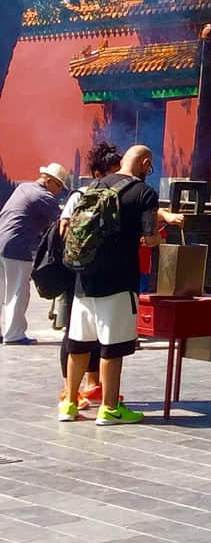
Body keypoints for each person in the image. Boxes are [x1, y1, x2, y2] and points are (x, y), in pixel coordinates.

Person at [62, 144, 163, 425]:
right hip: (118, 282)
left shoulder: (94, 186)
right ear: (144, 163)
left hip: (84, 279)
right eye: (149, 166)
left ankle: (69, 404)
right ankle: (109, 408)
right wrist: (158, 239)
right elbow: (149, 236)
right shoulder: (145, 192)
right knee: (112, 347)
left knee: (79, 344)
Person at [55, 141, 121, 409]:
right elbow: (63, 232)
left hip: (100, 272)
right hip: (76, 274)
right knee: (75, 333)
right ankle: (67, 390)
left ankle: (93, 384)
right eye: (113, 172)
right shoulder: (79, 196)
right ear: (98, 173)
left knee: (96, 331)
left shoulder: (115, 197)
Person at [0, 162, 68, 344]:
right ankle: (14, 335)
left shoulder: (24, 188)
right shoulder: (44, 196)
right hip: (17, 247)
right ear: (49, 180)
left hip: (1, 240)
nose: (59, 190)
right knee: (17, 292)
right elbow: (63, 222)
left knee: (1, 291)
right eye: (59, 185)